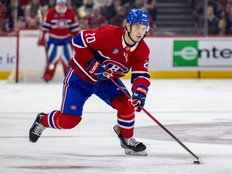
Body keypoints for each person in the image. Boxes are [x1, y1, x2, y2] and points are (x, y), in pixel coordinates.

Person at [30, 8, 151, 156]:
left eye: (144, 28)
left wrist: (140, 93)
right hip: (79, 79)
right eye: (137, 27)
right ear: (128, 25)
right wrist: (93, 64)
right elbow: (78, 41)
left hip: (105, 81)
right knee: (69, 121)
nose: (140, 31)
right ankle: (43, 120)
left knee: (128, 104)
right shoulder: (108, 34)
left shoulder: (142, 50)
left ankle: (126, 138)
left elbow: (141, 74)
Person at [37, 0, 79, 82]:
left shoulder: (70, 12)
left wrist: (77, 39)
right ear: (57, 3)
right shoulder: (51, 12)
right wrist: (42, 38)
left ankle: (69, 77)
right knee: (51, 59)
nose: (61, 4)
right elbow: (45, 27)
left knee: (68, 59)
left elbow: (75, 29)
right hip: (54, 40)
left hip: (67, 40)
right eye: (60, 2)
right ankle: (47, 76)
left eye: (63, 2)